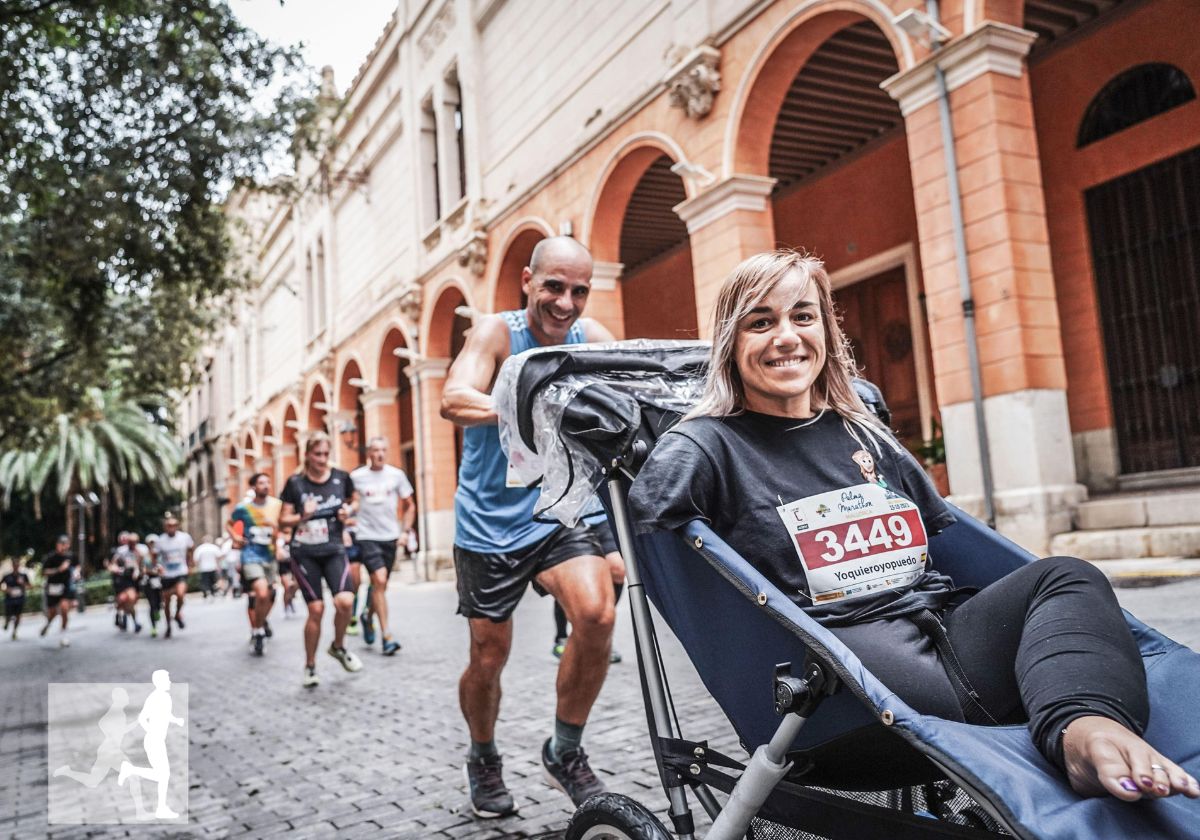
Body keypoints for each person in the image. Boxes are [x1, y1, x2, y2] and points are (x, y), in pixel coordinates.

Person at [629, 249, 1200, 805]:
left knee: (1066, 576)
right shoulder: (707, 444)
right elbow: (652, 523)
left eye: (803, 316)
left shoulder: (861, 433)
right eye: (761, 323)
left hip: (945, 641)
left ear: (826, 331)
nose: (787, 336)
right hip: (843, 688)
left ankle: (1086, 729)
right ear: (731, 343)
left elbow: (949, 547)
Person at [441, 236, 622, 816]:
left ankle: (564, 751)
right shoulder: (497, 333)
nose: (565, 303)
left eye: (578, 291)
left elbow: (635, 390)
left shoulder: (590, 339)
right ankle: (483, 755)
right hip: (490, 523)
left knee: (596, 614)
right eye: (553, 287)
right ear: (527, 281)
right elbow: (453, 397)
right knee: (488, 656)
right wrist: (527, 404)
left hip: (560, 509)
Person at [279, 432, 363, 687]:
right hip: (305, 553)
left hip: (334, 548)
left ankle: (338, 646)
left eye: (326, 454)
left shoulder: (341, 477)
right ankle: (310, 666)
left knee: (345, 601)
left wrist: (348, 510)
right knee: (316, 609)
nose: (323, 459)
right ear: (307, 455)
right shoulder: (296, 483)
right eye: (317, 454)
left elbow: (355, 500)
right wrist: (302, 516)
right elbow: (283, 520)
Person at [350, 436, 416, 656]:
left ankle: (367, 616)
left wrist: (405, 532)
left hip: (390, 537)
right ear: (369, 453)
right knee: (378, 579)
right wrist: (348, 513)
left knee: (381, 586)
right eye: (375, 450)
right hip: (367, 536)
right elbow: (351, 502)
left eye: (383, 450)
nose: (379, 454)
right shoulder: (357, 477)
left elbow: (410, 505)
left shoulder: (396, 475)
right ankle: (387, 636)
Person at [118, 669, 185, 819]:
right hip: (154, 741)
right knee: (163, 775)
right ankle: (161, 808)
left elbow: (166, 715)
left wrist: (176, 720)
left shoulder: (165, 697)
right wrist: (152, 732)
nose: (170, 682)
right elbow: (142, 718)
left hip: (158, 740)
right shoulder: (154, 698)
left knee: (163, 775)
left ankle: (131, 770)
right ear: (159, 682)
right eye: (167, 679)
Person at [228, 473, 281, 656]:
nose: (266, 485)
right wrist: (235, 537)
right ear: (253, 487)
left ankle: (261, 621)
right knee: (261, 592)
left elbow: (285, 527)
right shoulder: (244, 508)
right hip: (250, 555)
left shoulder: (277, 505)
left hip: (270, 556)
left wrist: (277, 531)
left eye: (268, 482)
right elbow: (229, 523)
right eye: (261, 483)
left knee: (271, 595)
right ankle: (258, 631)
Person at [154, 516, 193, 639]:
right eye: (169, 526)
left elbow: (191, 549)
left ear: (177, 526)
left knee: (181, 594)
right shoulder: (161, 540)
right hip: (167, 574)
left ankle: (177, 614)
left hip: (180, 571)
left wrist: (190, 564)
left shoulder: (184, 537)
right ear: (165, 527)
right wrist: (158, 566)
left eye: (173, 525)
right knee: (167, 602)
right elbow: (154, 556)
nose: (171, 528)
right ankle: (168, 626)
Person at [38, 535, 77, 646]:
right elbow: (43, 572)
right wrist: (59, 570)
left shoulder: (70, 556)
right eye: (62, 544)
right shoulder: (51, 557)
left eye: (67, 544)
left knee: (64, 609)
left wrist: (76, 572)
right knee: (52, 613)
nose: (65, 547)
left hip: (65, 587)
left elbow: (76, 566)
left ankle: (63, 636)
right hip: (52, 588)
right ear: (58, 545)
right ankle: (48, 624)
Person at [107, 533, 142, 634]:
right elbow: (112, 563)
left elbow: (139, 564)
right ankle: (124, 616)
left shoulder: (139, 551)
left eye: (134, 542)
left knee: (131, 600)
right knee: (123, 599)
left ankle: (127, 617)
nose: (132, 544)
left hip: (131, 579)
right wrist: (115, 569)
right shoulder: (121, 551)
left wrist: (137, 571)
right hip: (121, 579)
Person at [140, 536, 165, 638]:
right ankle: (153, 627)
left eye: (154, 543)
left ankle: (157, 612)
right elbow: (142, 569)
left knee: (159, 603)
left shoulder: (161, 555)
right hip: (149, 581)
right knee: (152, 604)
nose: (152, 545)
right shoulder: (144, 556)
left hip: (160, 581)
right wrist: (150, 571)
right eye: (150, 543)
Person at [3, 558, 32, 640]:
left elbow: (30, 586)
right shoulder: (7, 576)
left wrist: (23, 584)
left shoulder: (23, 575)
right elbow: (1, 585)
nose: (16, 566)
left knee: (18, 615)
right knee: (8, 614)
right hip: (9, 599)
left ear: (19, 566)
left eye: (17, 565)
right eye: (14, 565)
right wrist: (6, 589)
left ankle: (14, 631)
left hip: (20, 599)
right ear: (12, 566)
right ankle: (7, 622)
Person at [193, 535, 221, 599]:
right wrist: (218, 564)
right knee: (213, 581)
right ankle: (213, 592)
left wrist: (197, 566)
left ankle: (206, 592)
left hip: (203, 568)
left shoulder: (200, 548)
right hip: (213, 567)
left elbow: (196, 559)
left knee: (205, 581)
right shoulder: (214, 547)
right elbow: (219, 556)